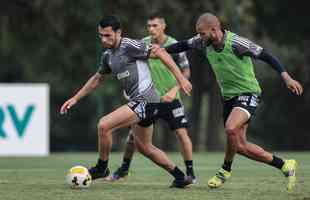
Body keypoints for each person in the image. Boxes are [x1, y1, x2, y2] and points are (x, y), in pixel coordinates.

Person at [165, 12, 303, 191]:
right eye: (198, 33)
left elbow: (266, 55)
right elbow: (182, 45)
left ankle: (225, 170)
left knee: (230, 128)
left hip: (249, 92)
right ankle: (285, 164)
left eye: (202, 33)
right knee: (239, 146)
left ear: (214, 30)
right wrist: (160, 50)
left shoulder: (237, 43)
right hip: (228, 98)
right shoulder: (202, 42)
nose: (199, 37)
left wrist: (287, 78)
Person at [60, 15, 193, 188]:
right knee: (145, 148)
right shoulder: (108, 56)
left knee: (104, 125)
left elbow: (160, 52)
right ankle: (181, 177)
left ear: (118, 32)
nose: (104, 39)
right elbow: (97, 79)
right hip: (141, 102)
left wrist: (181, 79)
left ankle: (101, 168)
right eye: (101, 35)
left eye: (108, 35)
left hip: (147, 99)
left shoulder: (129, 45)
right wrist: (75, 98)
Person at [109, 14, 196, 182]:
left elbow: (186, 72)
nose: (151, 29)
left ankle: (190, 173)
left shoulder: (174, 45)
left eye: (155, 25)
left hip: (171, 99)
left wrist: (174, 89)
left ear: (163, 26)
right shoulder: (143, 43)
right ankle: (124, 170)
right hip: (148, 98)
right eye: (149, 26)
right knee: (133, 138)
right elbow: (134, 69)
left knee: (181, 133)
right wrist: (130, 89)